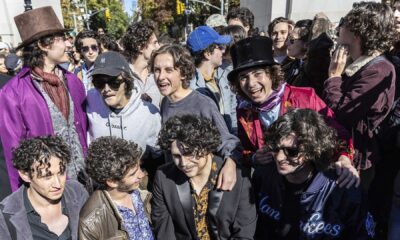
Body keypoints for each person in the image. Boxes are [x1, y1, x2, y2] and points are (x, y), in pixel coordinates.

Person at [228, 36, 359, 188]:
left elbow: (338, 135)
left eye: (258, 74)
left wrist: (343, 158)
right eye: (243, 77)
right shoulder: (245, 110)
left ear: (271, 74)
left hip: (310, 184)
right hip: (273, 187)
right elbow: (246, 150)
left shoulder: (304, 98)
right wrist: (254, 158)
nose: (251, 84)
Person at [323, 3, 396, 237]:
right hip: (343, 154)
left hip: (360, 162)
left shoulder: (380, 69)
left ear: (356, 32)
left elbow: (343, 112)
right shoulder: (358, 66)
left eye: (343, 24)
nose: (338, 30)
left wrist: (333, 78)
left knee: (352, 218)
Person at [0, 6, 88, 194]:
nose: (68, 44)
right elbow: (14, 151)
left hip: (83, 181)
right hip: (48, 190)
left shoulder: (73, 82)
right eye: (62, 39)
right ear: (43, 44)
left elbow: (83, 131)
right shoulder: (13, 93)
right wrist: (21, 199)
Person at [253, 109, 374, 239]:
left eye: (291, 151)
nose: (280, 157)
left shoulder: (343, 189)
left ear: (312, 148)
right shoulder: (264, 176)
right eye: (275, 149)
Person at [150, 44, 241, 191]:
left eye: (169, 70)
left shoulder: (203, 104)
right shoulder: (165, 102)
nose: (160, 77)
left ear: (183, 73)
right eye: (156, 70)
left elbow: (227, 141)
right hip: (176, 185)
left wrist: (231, 163)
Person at [152, 115, 256, 239]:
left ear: (206, 146)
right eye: (177, 156)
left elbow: (244, 233)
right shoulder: (164, 177)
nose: (184, 163)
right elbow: (164, 231)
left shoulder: (239, 177)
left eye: (189, 153)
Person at [87, 51, 161, 184]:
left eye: (113, 82)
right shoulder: (90, 100)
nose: (106, 89)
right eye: (99, 83)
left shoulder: (149, 113)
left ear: (127, 81)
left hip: (136, 185)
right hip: (101, 186)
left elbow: (157, 157)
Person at [0, 136, 89, 239]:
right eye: (47, 176)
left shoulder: (78, 193)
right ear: (25, 175)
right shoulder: (5, 217)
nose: (57, 184)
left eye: (61, 173)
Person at [79, 136, 153, 240]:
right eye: (132, 174)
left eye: (139, 167)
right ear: (112, 182)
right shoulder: (91, 220)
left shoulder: (141, 189)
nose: (141, 175)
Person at [186, 26, 237, 134]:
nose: (223, 51)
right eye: (219, 47)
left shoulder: (222, 78)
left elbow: (232, 111)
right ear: (207, 54)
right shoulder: (192, 88)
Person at [121, 20, 162, 108]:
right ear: (141, 47)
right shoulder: (122, 75)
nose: (158, 47)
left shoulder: (158, 73)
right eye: (155, 43)